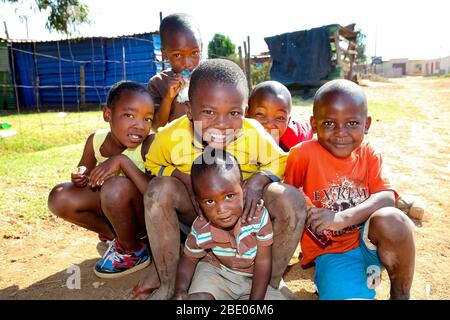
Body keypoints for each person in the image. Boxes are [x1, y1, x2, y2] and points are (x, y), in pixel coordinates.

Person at [134, 59, 306, 300]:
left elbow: (280, 161)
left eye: (234, 113)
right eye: (209, 112)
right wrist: (183, 178)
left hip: (245, 213)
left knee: (290, 198)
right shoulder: (171, 136)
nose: (223, 125)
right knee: (158, 190)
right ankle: (170, 284)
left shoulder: (253, 132)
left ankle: (271, 281)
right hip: (196, 211)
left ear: (245, 111)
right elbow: (153, 164)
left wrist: (257, 181)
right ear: (189, 110)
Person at [284, 79, 415, 300]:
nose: (340, 132)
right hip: (332, 253)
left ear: (367, 124)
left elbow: (386, 198)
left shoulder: (369, 153)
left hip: (371, 243)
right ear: (314, 124)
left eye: (352, 123)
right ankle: (350, 279)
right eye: (329, 123)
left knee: (394, 220)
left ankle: (401, 293)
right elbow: (288, 197)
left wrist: (340, 218)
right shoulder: (303, 154)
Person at [48, 81, 155, 278]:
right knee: (59, 197)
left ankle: (133, 252)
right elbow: (84, 171)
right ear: (108, 114)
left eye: (148, 119)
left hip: (145, 219)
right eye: (129, 115)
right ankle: (118, 237)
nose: (140, 125)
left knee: (115, 187)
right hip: (113, 212)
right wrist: (79, 174)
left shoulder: (149, 145)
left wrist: (122, 162)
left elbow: (156, 195)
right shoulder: (95, 141)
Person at [173, 150, 285, 300]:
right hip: (216, 273)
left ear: (244, 190)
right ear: (198, 203)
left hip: (254, 279)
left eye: (229, 196)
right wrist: (180, 289)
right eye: (210, 201)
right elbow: (189, 258)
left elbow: (263, 261)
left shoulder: (257, 216)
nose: (222, 210)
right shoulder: (202, 226)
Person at [147, 13, 202, 130]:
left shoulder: (210, 78)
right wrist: (168, 98)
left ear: (201, 47)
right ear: (164, 54)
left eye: (194, 53)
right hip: (174, 145)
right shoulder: (158, 83)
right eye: (177, 55)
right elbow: (157, 126)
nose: (187, 63)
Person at [247, 80, 313, 152]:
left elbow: (308, 127)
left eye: (280, 118)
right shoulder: (237, 138)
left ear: (288, 121)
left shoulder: (294, 142)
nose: (270, 125)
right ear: (247, 114)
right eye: (260, 114)